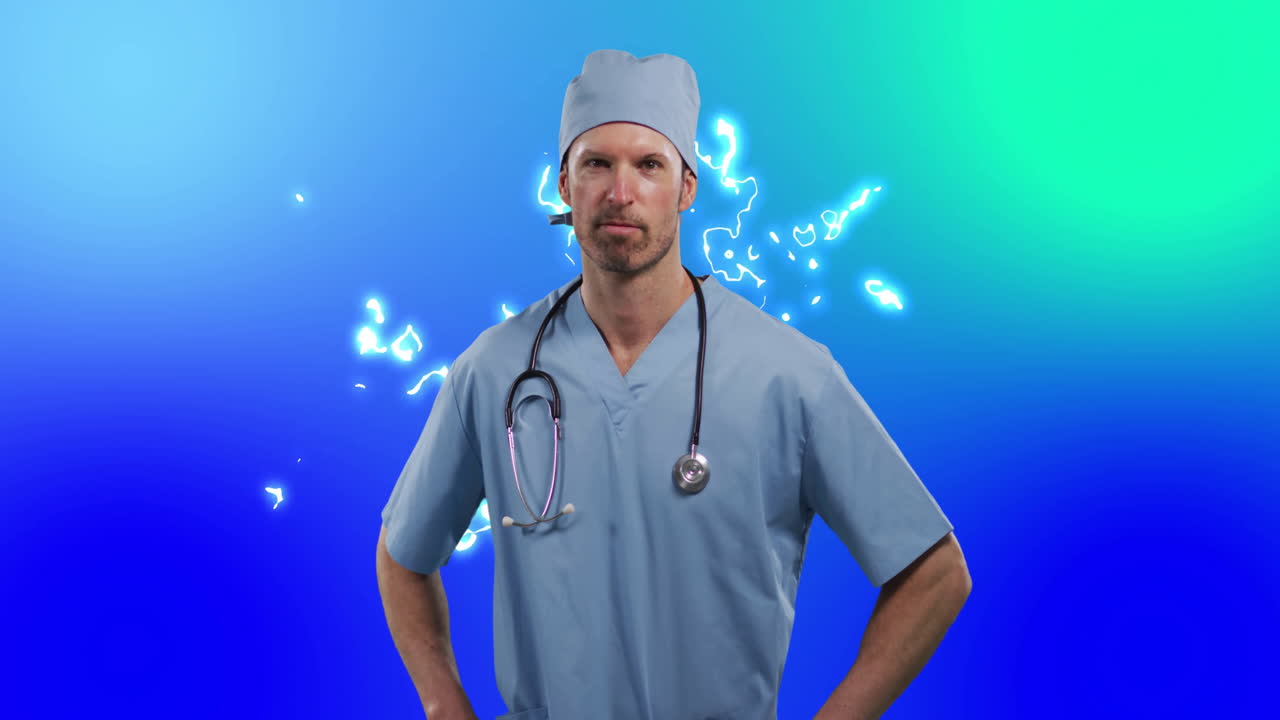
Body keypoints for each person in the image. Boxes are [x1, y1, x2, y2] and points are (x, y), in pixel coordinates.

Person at [377, 49, 971, 720]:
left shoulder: (789, 374)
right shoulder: (493, 371)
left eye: (649, 165)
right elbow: (403, 556)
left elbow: (934, 573)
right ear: (564, 185)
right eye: (596, 164)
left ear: (687, 187)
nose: (620, 192)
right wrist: (444, 705)